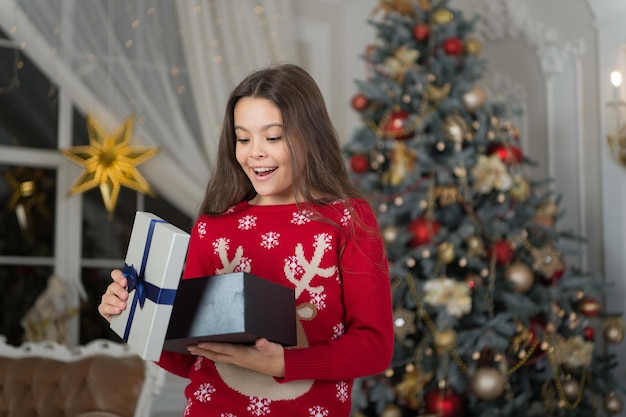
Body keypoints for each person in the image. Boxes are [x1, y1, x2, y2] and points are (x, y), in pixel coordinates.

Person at [98, 63, 394, 417]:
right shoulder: (213, 227)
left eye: (272, 137)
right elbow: (192, 357)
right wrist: (131, 317)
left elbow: (375, 346)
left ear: (309, 136)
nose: (255, 152)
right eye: (243, 138)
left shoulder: (348, 219)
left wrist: (284, 363)